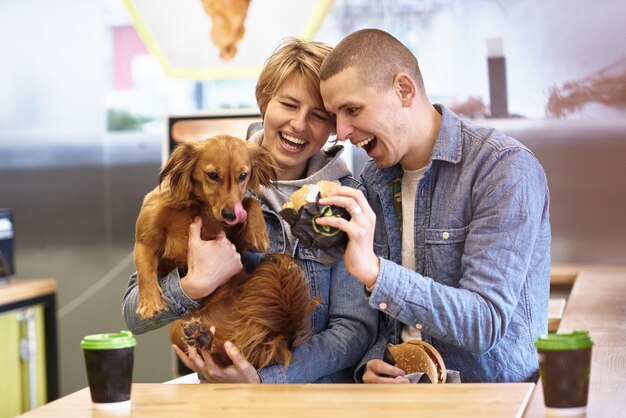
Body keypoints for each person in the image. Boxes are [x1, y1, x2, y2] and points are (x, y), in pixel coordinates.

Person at [122, 38, 378, 383]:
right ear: (265, 102)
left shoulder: (348, 202)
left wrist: (266, 379)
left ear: (334, 125)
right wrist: (194, 285)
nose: (299, 125)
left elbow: (353, 330)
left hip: (315, 397)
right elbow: (133, 315)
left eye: (318, 115)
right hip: (224, 395)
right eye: (288, 104)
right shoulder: (197, 178)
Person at [315, 28, 551, 383]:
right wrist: (373, 363)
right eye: (335, 116)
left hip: (492, 401)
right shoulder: (373, 183)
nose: (342, 131)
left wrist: (376, 272)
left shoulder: (503, 168)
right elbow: (388, 321)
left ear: (404, 90)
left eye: (352, 109)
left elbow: (484, 324)